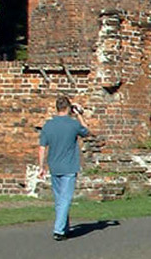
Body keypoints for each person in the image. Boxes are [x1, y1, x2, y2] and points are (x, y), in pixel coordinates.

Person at [37, 95, 91, 241]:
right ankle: (59, 230)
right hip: (69, 166)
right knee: (65, 198)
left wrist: (41, 167)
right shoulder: (73, 124)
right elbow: (86, 131)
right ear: (68, 108)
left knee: (59, 199)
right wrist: (79, 115)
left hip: (54, 165)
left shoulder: (48, 125)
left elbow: (42, 147)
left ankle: (65, 227)